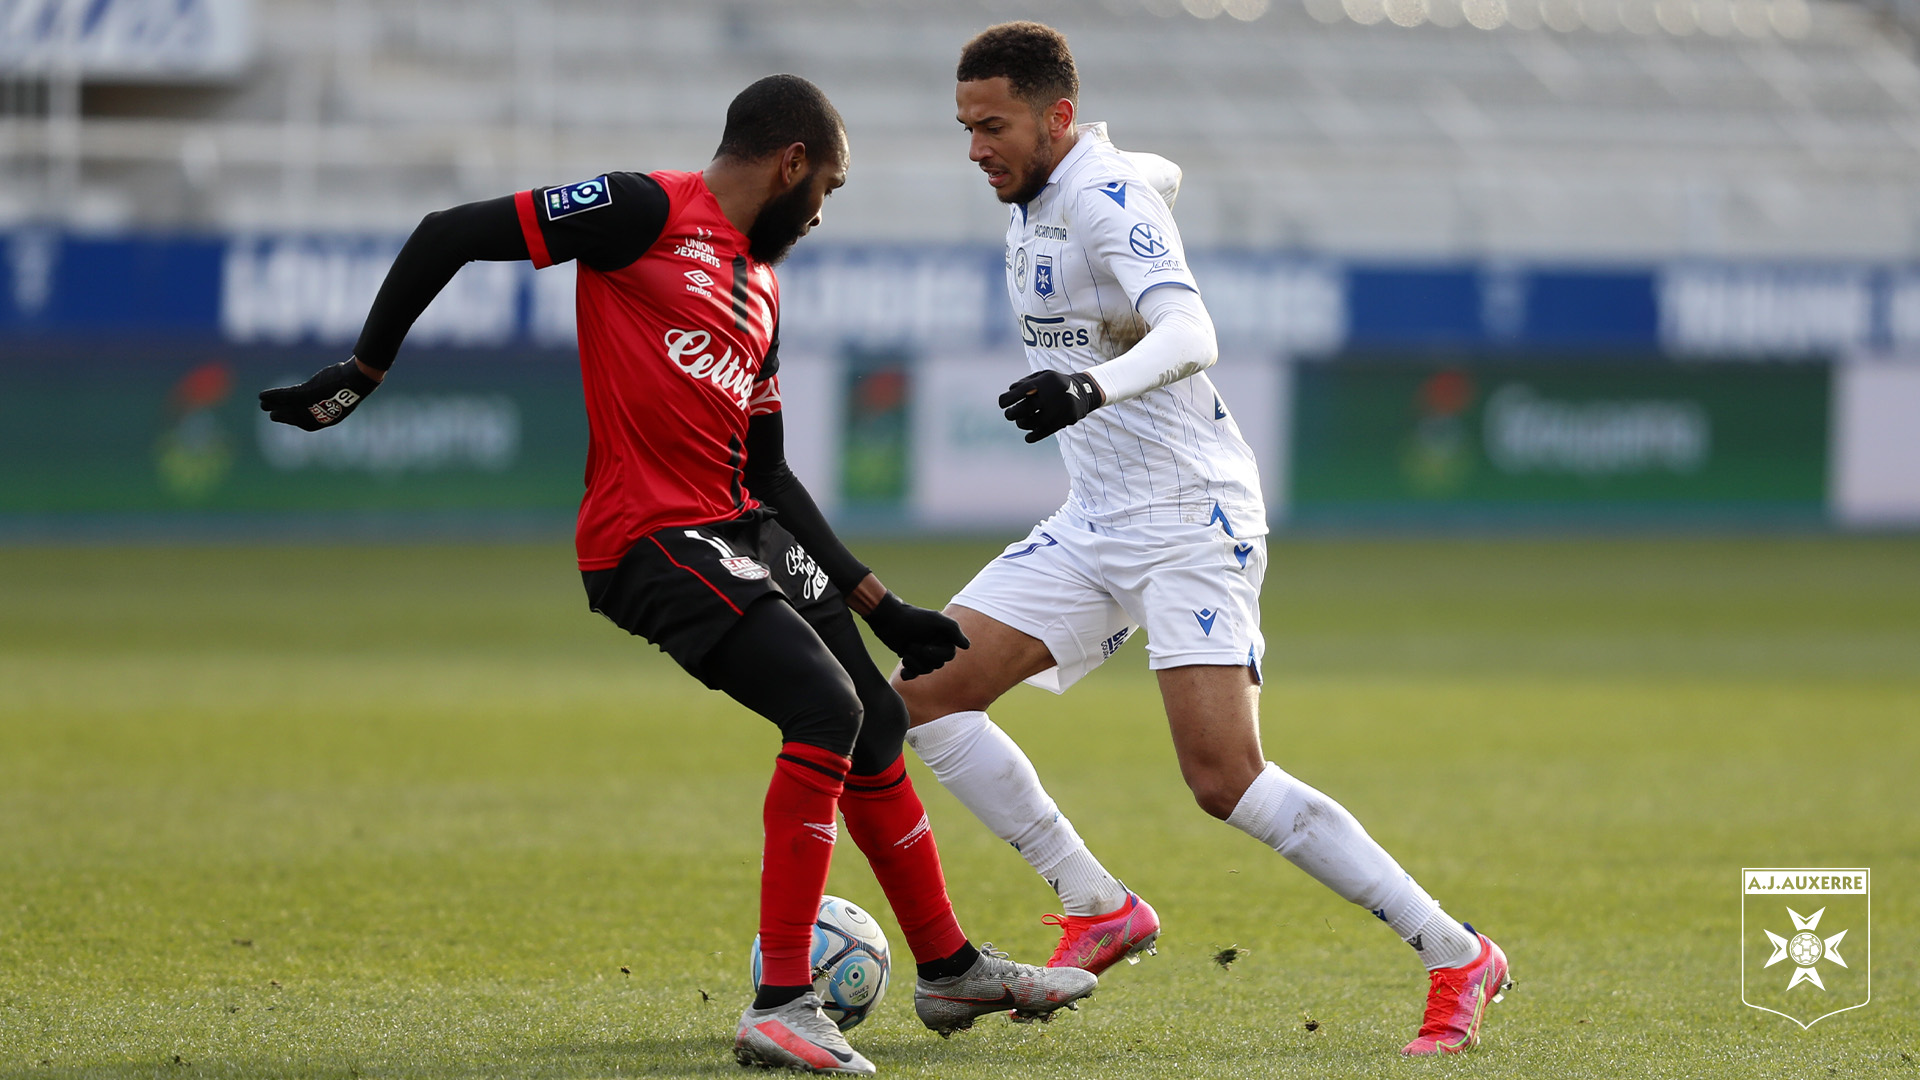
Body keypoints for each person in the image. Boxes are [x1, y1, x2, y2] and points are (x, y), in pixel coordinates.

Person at [258, 73, 1095, 1077]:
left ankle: (949, 967)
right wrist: (364, 370)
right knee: (823, 713)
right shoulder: (642, 208)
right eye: (825, 188)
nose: (822, 213)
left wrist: (884, 606)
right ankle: (781, 1004)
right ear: (790, 165)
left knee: (874, 712)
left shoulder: (761, 286)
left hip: (739, 522)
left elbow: (769, 470)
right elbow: (448, 232)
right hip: (646, 534)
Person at [891, 24, 1513, 1056]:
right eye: (964, 127)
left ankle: (1457, 954)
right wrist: (1142, 170)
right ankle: (1098, 903)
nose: (974, 150)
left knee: (1225, 779)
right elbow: (1151, 171)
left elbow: (1192, 334)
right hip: (1094, 520)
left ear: (1054, 118)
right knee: (923, 695)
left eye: (991, 126)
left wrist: (1088, 382)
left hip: (1190, 518)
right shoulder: (1066, 183)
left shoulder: (1101, 195)